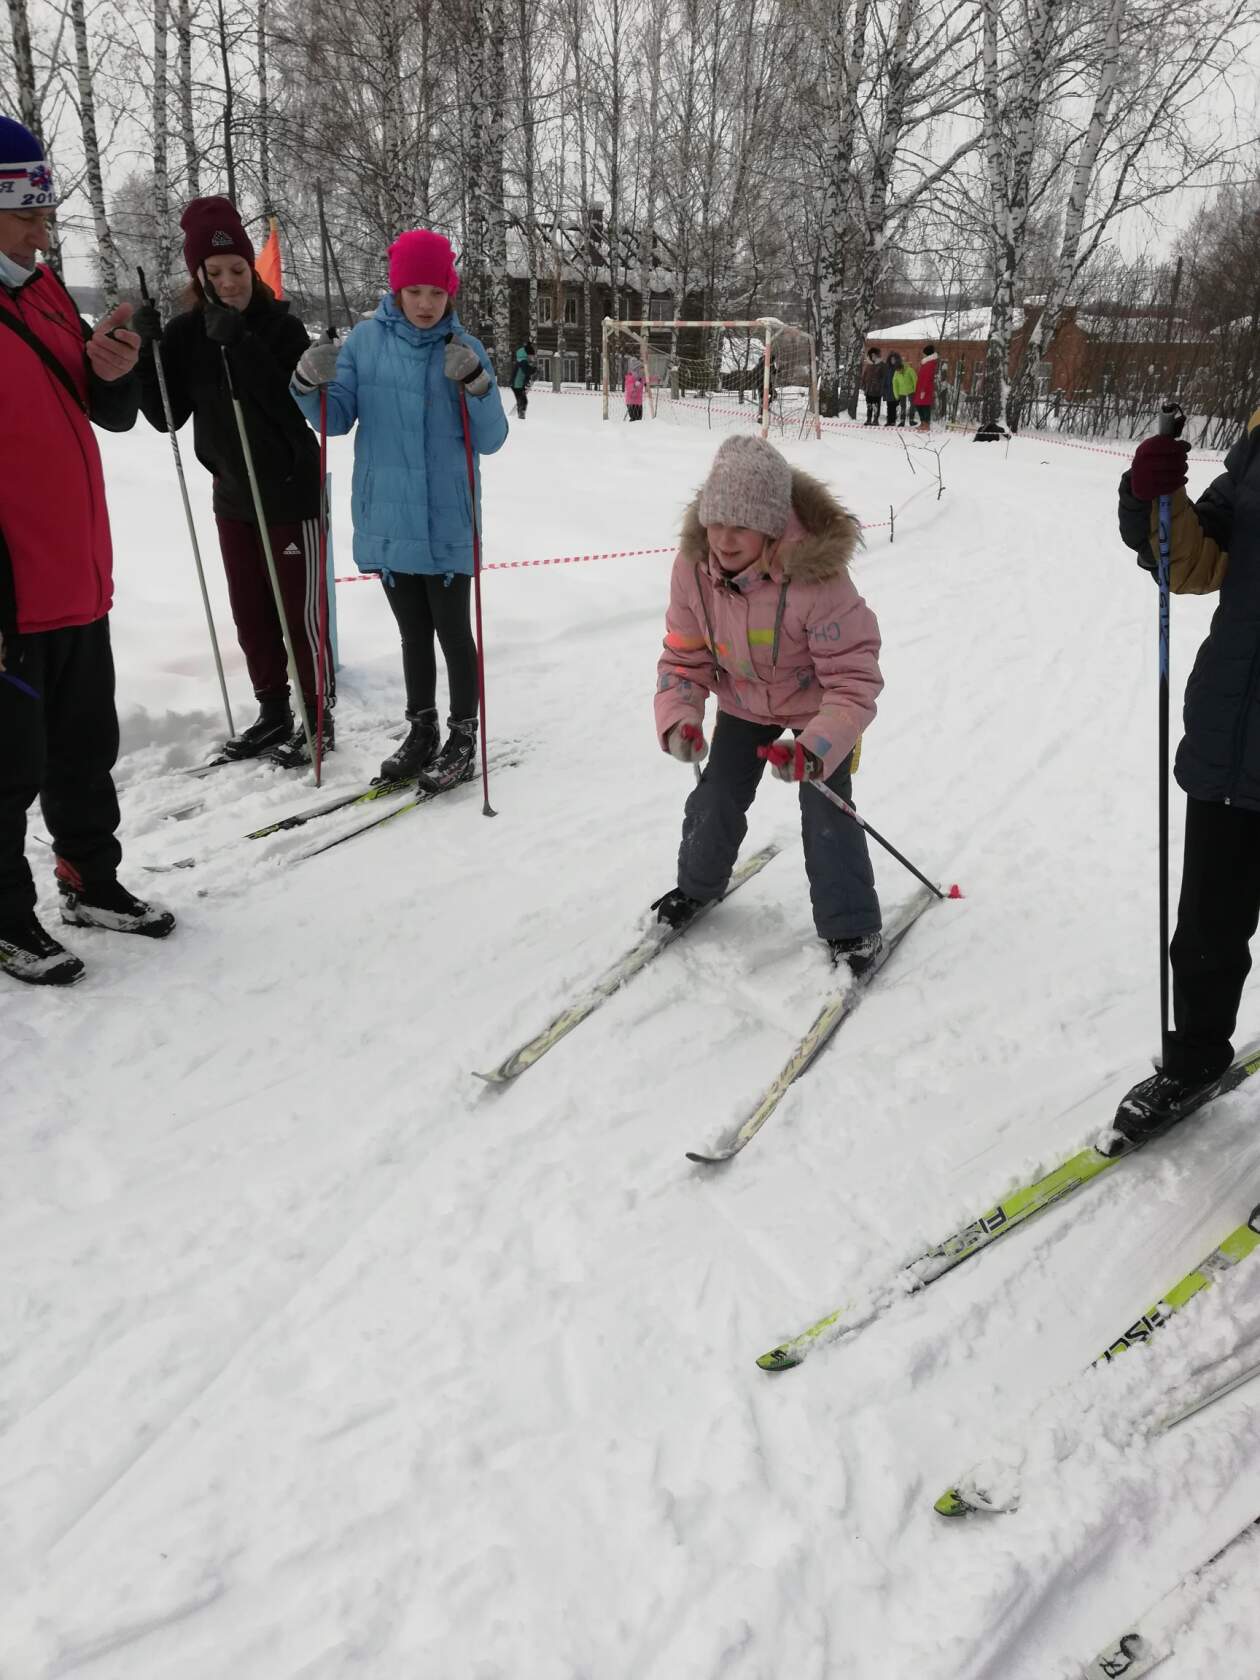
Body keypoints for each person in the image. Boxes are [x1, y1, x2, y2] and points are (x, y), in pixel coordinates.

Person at [0, 116, 174, 987]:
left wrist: (113, 369)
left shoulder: (45, 293)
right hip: (9, 593)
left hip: (76, 575)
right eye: (25, 210)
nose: (42, 228)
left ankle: (90, 878)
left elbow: (99, 411)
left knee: (81, 745)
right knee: (7, 766)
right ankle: (3, 917)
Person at [652, 434, 884, 972]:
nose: (725, 539)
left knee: (826, 810)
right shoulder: (692, 569)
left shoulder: (817, 579)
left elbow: (853, 679)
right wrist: (680, 719)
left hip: (818, 710)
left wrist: (816, 748)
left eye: (742, 525)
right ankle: (696, 886)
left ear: (772, 525)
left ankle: (852, 927)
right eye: (716, 521)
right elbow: (682, 658)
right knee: (715, 797)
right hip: (744, 703)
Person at [290, 229, 508, 787]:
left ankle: (462, 733)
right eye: (415, 291)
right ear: (397, 290)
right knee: (413, 634)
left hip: (446, 519)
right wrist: (307, 382)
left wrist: (478, 385)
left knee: (454, 635)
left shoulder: (465, 349)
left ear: (450, 291)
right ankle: (422, 728)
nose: (427, 303)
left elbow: (492, 438)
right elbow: (335, 419)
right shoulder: (365, 343)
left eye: (437, 291)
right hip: (389, 517)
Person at [134, 196, 329, 767]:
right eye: (214, 274)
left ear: (251, 268)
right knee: (250, 612)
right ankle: (273, 713)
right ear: (198, 277)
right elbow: (165, 415)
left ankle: (318, 718)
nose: (228, 283)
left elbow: (290, 408)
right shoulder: (187, 332)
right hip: (232, 494)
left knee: (298, 615)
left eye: (237, 271)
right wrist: (149, 353)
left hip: (291, 492)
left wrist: (240, 345)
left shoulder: (283, 327)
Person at [1111, 409, 1260, 1136]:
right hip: (1238, 739)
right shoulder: (1259, 455)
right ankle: (1196, 1057)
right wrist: (1154, 497)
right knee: (1206, 928)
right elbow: (1193, 564)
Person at [913, 344, 938, 432]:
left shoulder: (930, 364)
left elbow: (927, 377)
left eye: (924, 353)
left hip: (925, 388)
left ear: (927, 353)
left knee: (925, 406)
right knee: (919, 405)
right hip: (921, 387)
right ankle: (923, 422)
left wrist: (923, 389)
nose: (922, 354)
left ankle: (926, 424)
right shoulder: (926, 363)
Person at [511, 340, 536, 419]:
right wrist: (535, 370)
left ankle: (521, 414)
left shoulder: (522, 361)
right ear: (527, 355)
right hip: (517, 384)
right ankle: (521, 415)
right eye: (532, 356)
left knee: (523, 400)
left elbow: (525, 373)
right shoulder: (523, 362)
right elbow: (527, 371)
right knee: (522, 401)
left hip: (518, 384)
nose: (532, 357)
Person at [860, 347, 884, 426]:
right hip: (868, 389)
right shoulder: (868, 365)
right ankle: (869, 419)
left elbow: (884, 377)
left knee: (876, 405)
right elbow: (864, 376)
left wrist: (880, 386)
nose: (873, 356)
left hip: (877, 389)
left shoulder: (882, 365)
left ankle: (875, 419)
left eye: (875, 355)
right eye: (872, 355)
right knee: (869, 405)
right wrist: (863, 386)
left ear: (877, 355)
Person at [892, 354, 916, 426]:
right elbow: (894, 384)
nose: (899, 372)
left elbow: (915, 380)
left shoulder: (910, 370)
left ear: (902, 367)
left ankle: (911, 420)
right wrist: (896, 395)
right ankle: (902, 421)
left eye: (900, 370)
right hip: (901, 392)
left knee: (913, 405)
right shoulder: (896, 373)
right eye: (897, 371)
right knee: (903, 406)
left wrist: (916, 390)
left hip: (911, 391)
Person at [882, 350, 904, 427]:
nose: (892, 361)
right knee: (889, 406)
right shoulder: (887, 368)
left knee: (894, 406)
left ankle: (893, 421)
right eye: (891, 359)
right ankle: (889, 420)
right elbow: (885, 378)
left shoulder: (899, 368)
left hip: (896, 390)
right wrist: (884, 388)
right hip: (888, 389)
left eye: (894, 359)